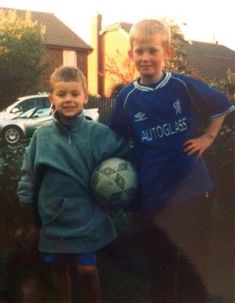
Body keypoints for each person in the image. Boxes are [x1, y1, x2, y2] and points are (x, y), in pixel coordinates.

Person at [109, 19, 235, 303]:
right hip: (152, 197)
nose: (145, 57)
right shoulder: (127, 98)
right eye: (139, 51)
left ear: (166, 51)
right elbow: (117, 139)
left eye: (152, 50)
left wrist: (208, 137)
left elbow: (222, 106)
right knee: (160, 268)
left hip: (192, 190)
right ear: (131, 54)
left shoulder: (183, 86)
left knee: (194, 265)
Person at [17, 66, 129, 303]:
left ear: (85, 97)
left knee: (87, 272)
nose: (68, 99)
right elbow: (28, 176)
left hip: (87, 217)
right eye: (61, 94)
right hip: (52, 219)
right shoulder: (42, 135)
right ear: (51, 98)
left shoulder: (98, 133)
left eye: (75, 94)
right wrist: (28, 219)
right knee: (59, 270)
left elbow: (125, 153)